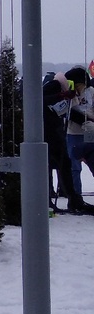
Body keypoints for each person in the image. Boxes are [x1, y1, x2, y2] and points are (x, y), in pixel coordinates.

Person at [63, 67, 94, 210]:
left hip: (90, 134)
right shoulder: (69, 95)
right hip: (74, 134)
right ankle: (76, 197)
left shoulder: (92, 92)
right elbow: (67, 113)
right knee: (74, 168)